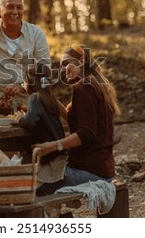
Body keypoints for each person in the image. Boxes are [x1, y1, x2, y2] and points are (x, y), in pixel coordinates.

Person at [33, 44, 121, 196]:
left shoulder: (83, 86)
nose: (64, 69)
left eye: (67, 63)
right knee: (42, 176)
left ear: (81, 61)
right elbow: (79, 121)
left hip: (90, 172)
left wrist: (52, 146)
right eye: (62, 66)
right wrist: (49, 97)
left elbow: (86, 133)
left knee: (32, 187)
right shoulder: (95, 83)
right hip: (102, 169)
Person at [0, 0, 51, 100]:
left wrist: (22, 86)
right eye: (10, 7)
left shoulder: (36, 34)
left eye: (19, 7)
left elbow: (45, 73)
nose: (15, 12)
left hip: (28, 104)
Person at [17, 62, 67, 187]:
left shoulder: (34, 97)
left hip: (49, 162)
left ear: (28, 81)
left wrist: (19, 119)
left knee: (20, 184)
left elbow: (29, 122)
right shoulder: (49, 98)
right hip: (59, 157)